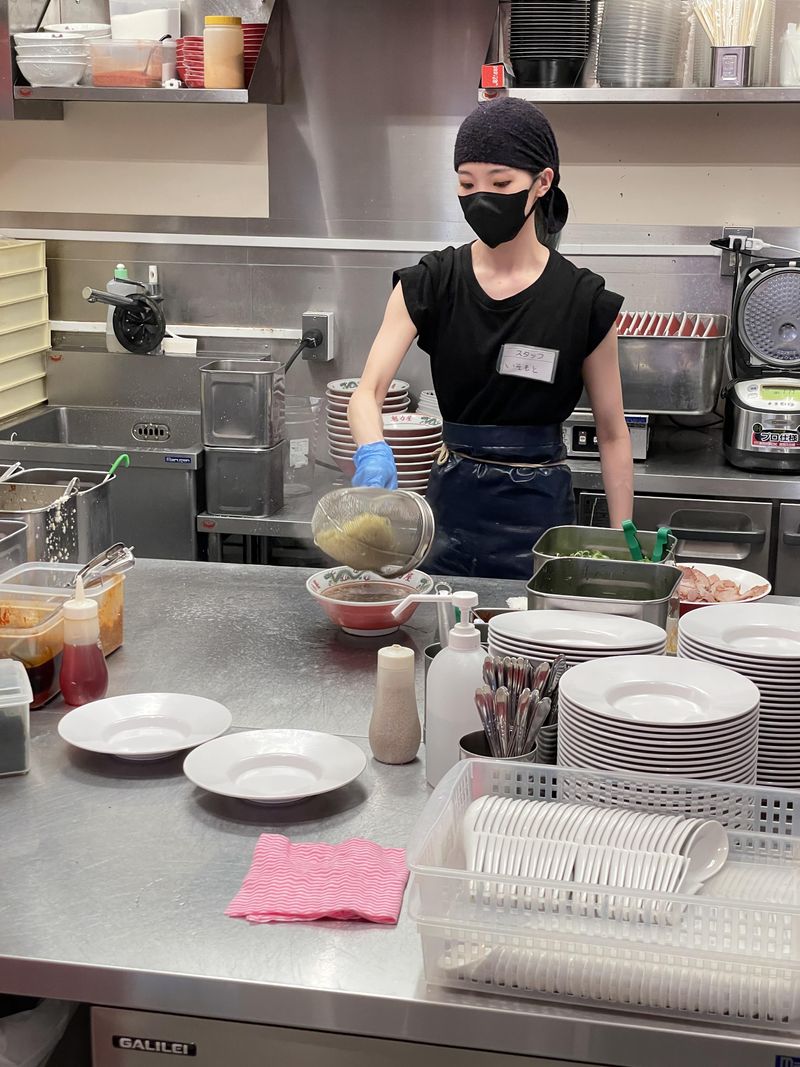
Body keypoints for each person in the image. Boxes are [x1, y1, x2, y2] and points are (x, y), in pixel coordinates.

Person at [348, 97, 633, 580]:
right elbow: (367, 393)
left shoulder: (583, 299)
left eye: (500, 184)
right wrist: (372, 452)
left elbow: (612, 432)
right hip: (451, 513)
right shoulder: (432, 281)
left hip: (541, 518)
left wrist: (625, 540)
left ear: (542, 182)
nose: (481, 197)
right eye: (467, 184)